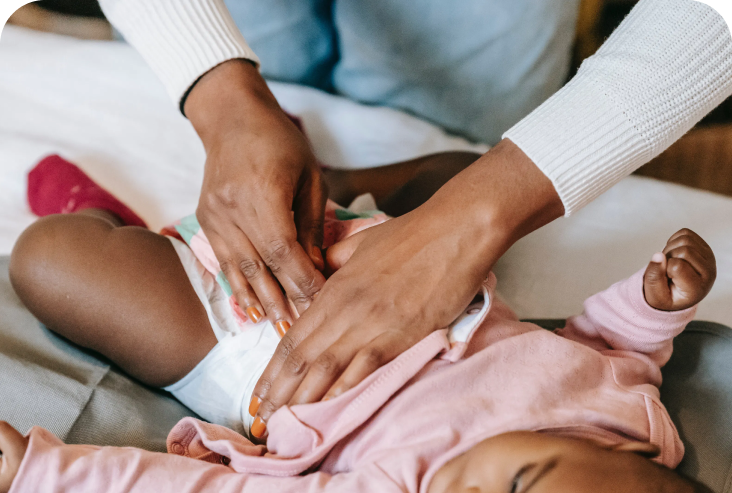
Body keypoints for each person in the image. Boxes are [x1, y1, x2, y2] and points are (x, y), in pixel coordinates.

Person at [1, 153, 730, 493]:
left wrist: (42, 474)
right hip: (412, 263)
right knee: (458, 172)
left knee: (53, 259)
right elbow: (608, 349)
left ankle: (108, 221)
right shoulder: (620, 410)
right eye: (519, 483)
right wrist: (653, 305)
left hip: (258, 339)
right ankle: (336, 186)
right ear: (630, 452)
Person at [98, 0, 732, 437]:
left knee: (61, 260)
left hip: (241, 342)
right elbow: (610, 357)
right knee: (444, 153)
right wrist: (222, 94)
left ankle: (310, 178)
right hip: (374, 239)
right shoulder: (607, 432)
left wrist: (474, 218)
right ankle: (318, 175)